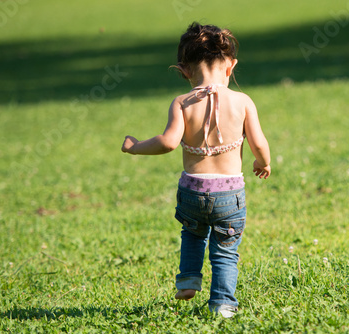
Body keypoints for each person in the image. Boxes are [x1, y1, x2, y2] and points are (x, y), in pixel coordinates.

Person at [121, 22, 271, 318]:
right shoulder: (242, 101)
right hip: (229, 195)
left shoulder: (182, 103)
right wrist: (262, 162)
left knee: (192, 234)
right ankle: (223, 306)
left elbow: (167, 143)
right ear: (231, 66)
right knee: (225, 252)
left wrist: (136, 146)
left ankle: (188, 280)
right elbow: (259, 142)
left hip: (191, 191)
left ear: (184, 70)